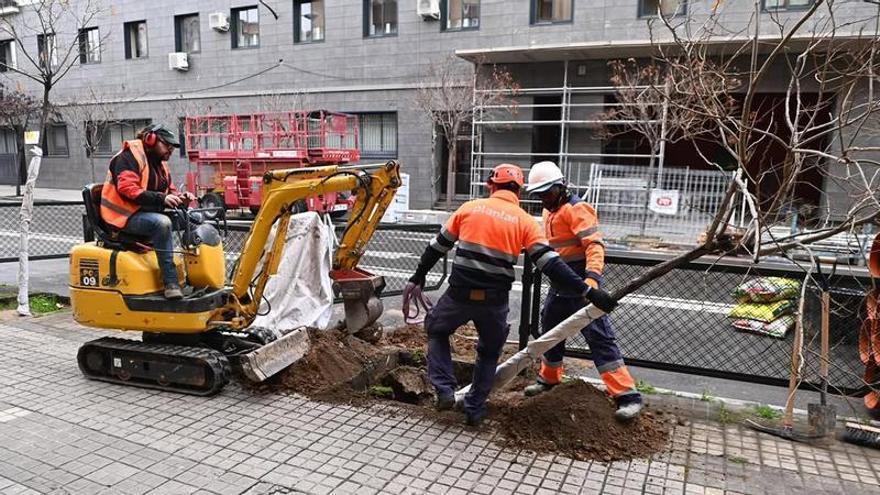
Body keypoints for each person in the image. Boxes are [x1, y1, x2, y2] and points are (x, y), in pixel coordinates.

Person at [406, 163, 617, 426]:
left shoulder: (469, 208)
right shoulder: (525, 221)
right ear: (519, 191)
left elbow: (437, 247)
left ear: (490, 186)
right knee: (489, 352)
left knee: (437, 330)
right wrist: (588, 290)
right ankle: (474, 409)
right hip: (494, 301)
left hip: (459, 294)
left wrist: (418, 276)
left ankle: (445, 390)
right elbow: (551, 264)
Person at [522, 161, 643, 420]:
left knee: (600, 338)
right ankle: (549, 378)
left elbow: (594, 246)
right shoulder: (550, 211)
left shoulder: (577, 209)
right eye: (539, 195)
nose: (544, 199)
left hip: (581, 285)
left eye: (547, 193)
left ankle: (627, 396)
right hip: (559, 283)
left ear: (561, 187)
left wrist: (592, 283)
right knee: (551, 333)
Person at [100, 123, 194, 299]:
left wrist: (180, 198)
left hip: (147, 213)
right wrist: (161, 199)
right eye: (167, 145)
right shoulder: (128, 157)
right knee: (162, 224)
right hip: (124, 217)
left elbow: (170, 190)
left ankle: (195, 276)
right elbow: (127, 188)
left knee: (193, 218)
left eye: (172, 147)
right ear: (150, 139)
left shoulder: (160, 163)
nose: (170, 150)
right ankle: (171, 283)